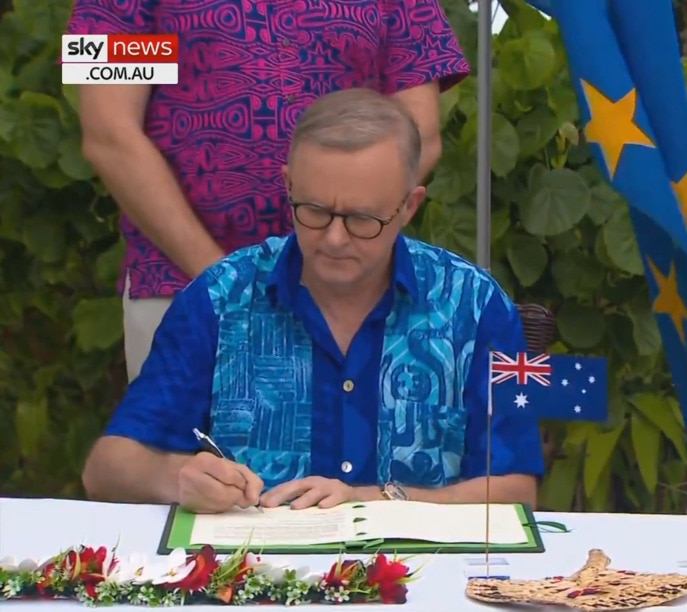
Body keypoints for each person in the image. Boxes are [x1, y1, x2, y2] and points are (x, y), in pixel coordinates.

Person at [80, 89, 543, 513]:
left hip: (421, 585)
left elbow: (515, 490)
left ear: (408, 207)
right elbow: (106, 468)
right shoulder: (219, 299)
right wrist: (178, 478)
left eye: (362, 219)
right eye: (315, 212)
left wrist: (375, 499)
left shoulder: (476, 306)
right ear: (289, 186)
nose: (335, 239)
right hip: (254, 588)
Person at [68, 0, 470, 381]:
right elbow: (110, 135)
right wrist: (229, 282)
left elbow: (420, 135)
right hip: (185, 289)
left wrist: (336, 249)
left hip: (350, 296)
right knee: (190, 456)